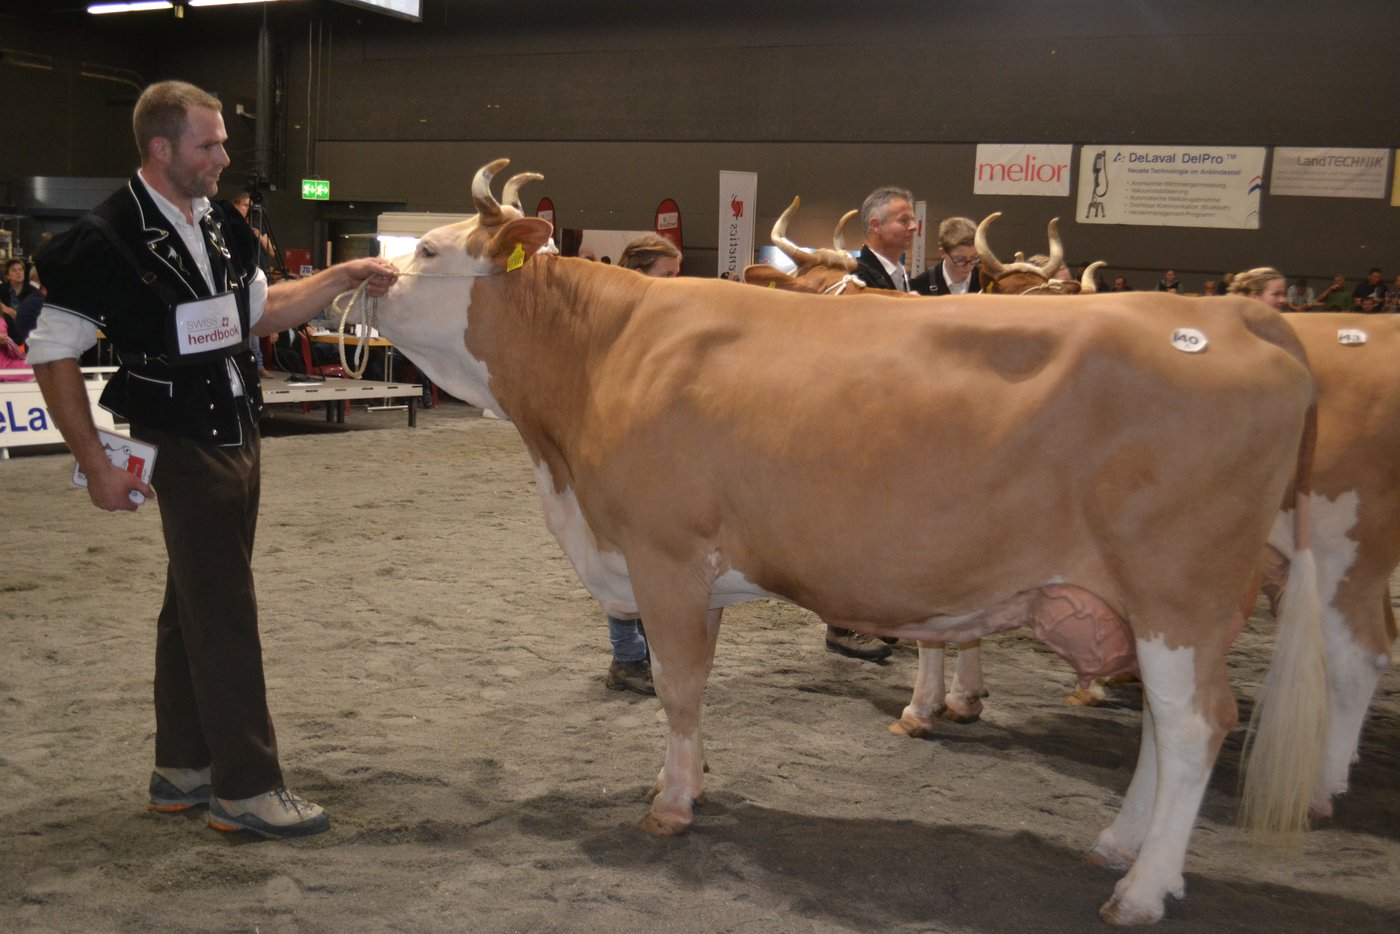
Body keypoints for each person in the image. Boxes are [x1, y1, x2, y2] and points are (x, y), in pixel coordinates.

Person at [28, 80, 398, 840]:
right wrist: (95, 458)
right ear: (160, 149)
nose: (224, 157)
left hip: (236, 427)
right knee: (226, 607)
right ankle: (247, 787)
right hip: (178, 439)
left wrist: (339, 278)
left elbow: (261, 311)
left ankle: (184, 768)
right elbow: (52, 354)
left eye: (223, 142)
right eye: (209, 144)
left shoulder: (221, 227)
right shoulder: (103, 238)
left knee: (193, 599)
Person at [598, 233, 684, 695]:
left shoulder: (659, 320)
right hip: (619, 451)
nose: (676, 283)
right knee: (624, 559)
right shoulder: (615, 323)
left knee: (649, 559)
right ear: (639, 273)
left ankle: (644, 656)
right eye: (667, 275)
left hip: (654, 451)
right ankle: (628, 659)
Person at [228, 191, 277, 377]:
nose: (249, 209)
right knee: (249, 321)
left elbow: (272, 252)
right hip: (242, 278)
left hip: (259, 276)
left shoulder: (255, 227)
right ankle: (254, 363)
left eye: (250, 206)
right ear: (236, 205)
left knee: (254, 321)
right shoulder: (230, 226)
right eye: (245, 205)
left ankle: (257, 363)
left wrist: (259, 236)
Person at [853, 185, 917, 293]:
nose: (913, 226)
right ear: (876, 226)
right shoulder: (857, 278)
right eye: (904, 220)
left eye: (912, 220)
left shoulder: (900, 273)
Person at [911, 216, 981, 296]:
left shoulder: (987, 282)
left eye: (974, 258)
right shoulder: (919, 286)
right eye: (960, 260)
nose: (969, 267)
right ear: (942, 253)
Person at [2, 257, 45, 345]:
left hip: (26, 332)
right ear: (7, 276)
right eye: (14, 270)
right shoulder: (3, 289)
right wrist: (4, 308)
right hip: (6, 332)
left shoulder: (33, 291)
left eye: (20, 269)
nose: (18, 272)